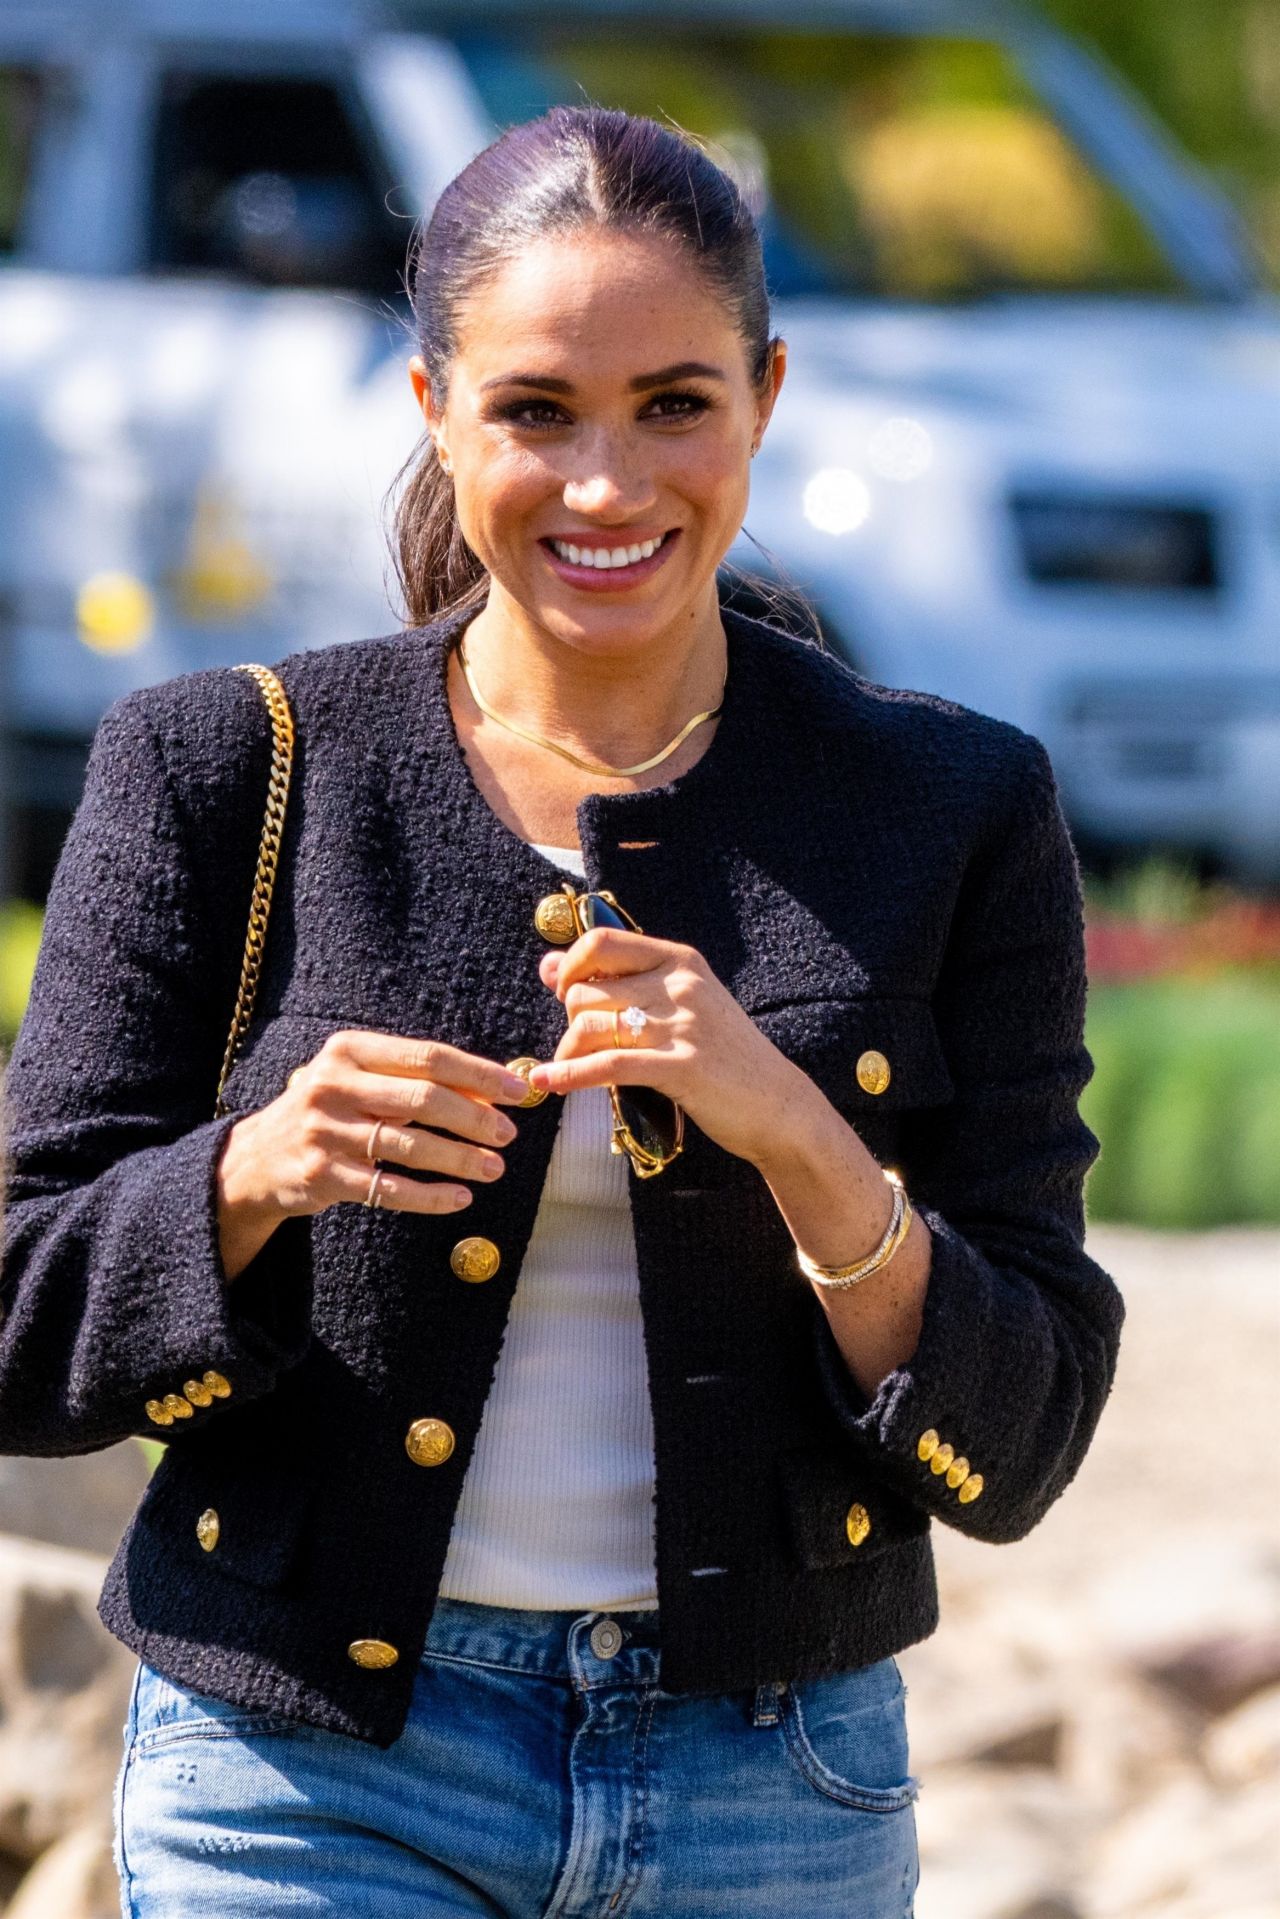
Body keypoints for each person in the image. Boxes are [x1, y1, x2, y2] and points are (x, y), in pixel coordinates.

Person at [0, 105, 1125, 1918]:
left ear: (765, 396)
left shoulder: (952, 806)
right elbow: (17, 1320)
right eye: (537, 411)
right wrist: (254, 1173)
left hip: (778, 1783)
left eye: (675, 404)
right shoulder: (224, 769)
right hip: (300, 1779)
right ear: (432, 407)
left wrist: (807, 1145)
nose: (608, 485)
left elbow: (1025, 1436)